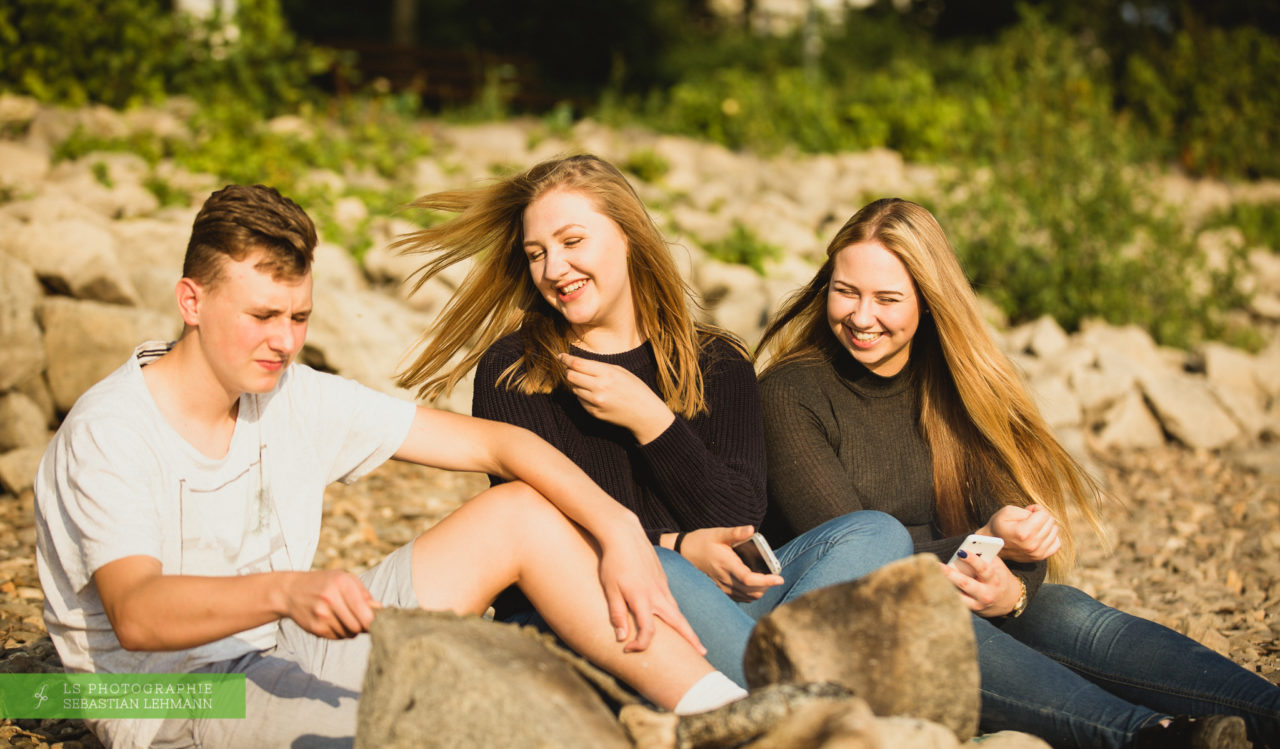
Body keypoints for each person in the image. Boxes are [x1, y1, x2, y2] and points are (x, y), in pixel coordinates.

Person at [33, 184, 749, 749]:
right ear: (191, 301)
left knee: (521, 511)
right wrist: (285, 590)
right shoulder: (112, 430)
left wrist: (620, 528)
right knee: (449, 718)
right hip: (170, 700)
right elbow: (137, 611)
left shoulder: (289, 390)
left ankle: (732, 715)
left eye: (300, 317)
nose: (284, 342)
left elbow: (500, 447)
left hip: (284, 644)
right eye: (262, 316)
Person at [755, 197, 1280, 749]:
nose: (862, 317)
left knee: (1064, 609)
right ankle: (1150, 739)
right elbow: (861, 557)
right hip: (850, 620)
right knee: (937, 625)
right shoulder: (789, 395)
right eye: (846, 291)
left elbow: (1018, 526)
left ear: (930, 303)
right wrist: (986, 544)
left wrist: (1014, 590)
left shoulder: (957, 386)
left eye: (887, 298)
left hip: (952, 584)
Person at [394, 154, 913, 687]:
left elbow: (738, 517)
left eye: (572, 243)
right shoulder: (518, 371)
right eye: (537, 254)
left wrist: (654, 424)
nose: (553, 269)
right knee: (662, 569)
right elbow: (541, 537)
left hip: (722, 608)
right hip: (595, 609)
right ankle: (791, 698)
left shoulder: (717, 362)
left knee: (876, 535)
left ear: (628, 237)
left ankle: (774, 686)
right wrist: (678, 549)